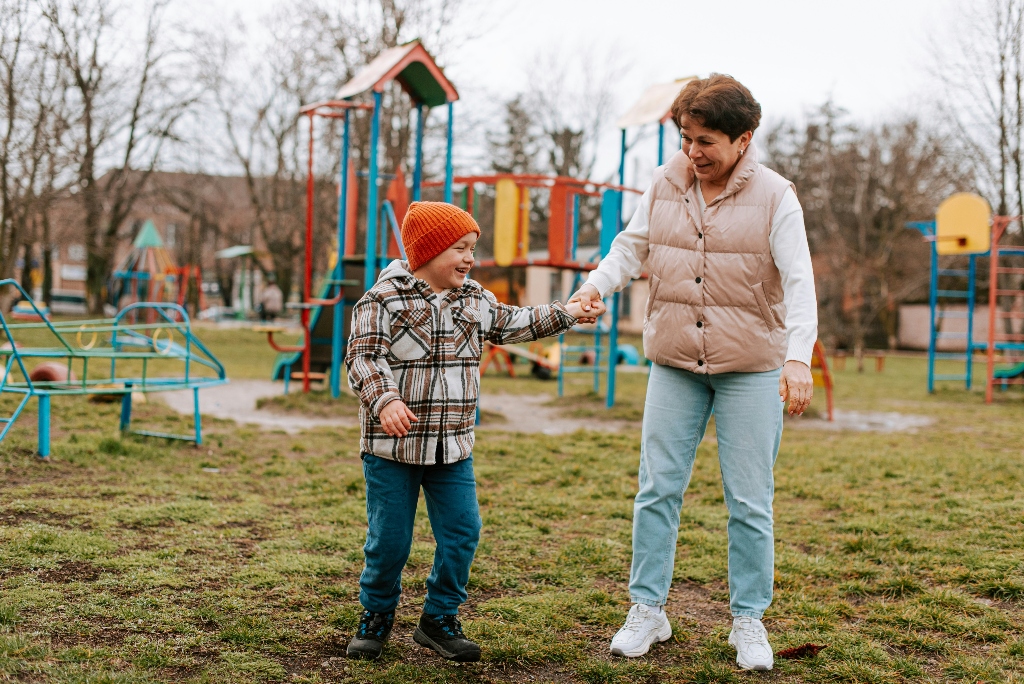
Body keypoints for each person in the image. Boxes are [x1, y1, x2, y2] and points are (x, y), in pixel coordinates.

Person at [570, 75, 817, 671]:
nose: (692, 152)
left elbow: (802, 281)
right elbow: (631, 247)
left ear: (743, 139)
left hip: (751, 367)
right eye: (686, 138)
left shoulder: (777, 196)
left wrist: (798, 356)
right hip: (676, 362)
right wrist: (594, 285)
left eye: (706, 141)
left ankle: (748, 620)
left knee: (750, 501)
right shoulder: (665, 182)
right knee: (657, 489)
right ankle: (648, 610)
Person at [344, 201, 605, 662]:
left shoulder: (475, 299)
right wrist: (385, 400)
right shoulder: (382, 300)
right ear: (426, 251)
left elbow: (513, 323)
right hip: (392, 449)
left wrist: (567, 313)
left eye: (472, 249)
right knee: (389, 541)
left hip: (452, 448)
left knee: (463, 531)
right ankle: (377, 614)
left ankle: (439, 617)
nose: (469, 258)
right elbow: (363, 357)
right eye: (459, 248)